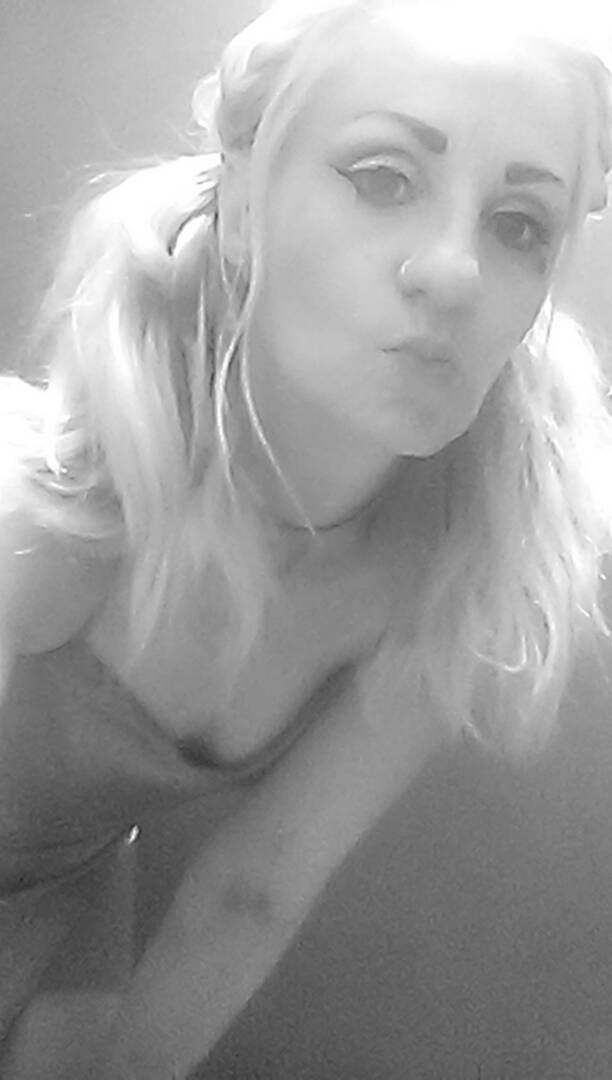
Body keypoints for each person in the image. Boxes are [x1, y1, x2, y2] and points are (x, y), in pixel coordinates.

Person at [1, 0, 612, 1076]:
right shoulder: (53, 508)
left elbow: (254, 891)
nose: (456, 272)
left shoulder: (440, 579)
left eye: (520, 226)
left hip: (62, 916)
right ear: (243, 204)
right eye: (384, 178)